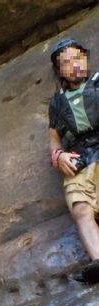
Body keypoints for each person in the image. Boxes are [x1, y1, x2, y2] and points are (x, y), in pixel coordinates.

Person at [48, 37, 99, 283]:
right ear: (60, 71)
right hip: (80, 156)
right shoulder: (57, 102)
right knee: (81, 209)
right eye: (66, 63)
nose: (75, 65)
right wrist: (59, 156)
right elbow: (54, 138)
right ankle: (97, 259)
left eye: (78, 58)